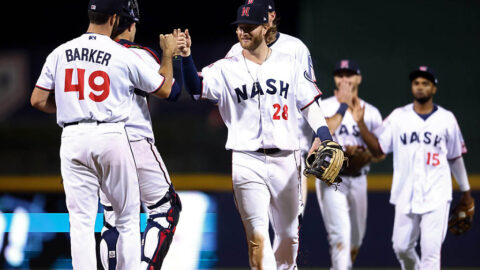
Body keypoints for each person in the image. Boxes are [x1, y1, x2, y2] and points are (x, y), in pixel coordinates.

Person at [178, 3, 338, 269]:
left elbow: (309, 104)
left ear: (266, 27)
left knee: (288, 238)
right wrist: (185, 57)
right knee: (257, 239)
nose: (243, 31)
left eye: (250, 26)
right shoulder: (226, 67)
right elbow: (196, 88)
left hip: (287, 159)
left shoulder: (289, 63)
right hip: (246, 160)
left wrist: (325, 136)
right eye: (240, 26)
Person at [29, 0, 177, 268]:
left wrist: (69, 107)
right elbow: (164, 89)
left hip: (72, 136)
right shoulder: (121, 53)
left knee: (81, 222)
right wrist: (168, 54)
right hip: (110, 133)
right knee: (127, 218)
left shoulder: (61, 52)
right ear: (112, 19)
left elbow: (38, 100)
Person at [356, 66, 474, 270]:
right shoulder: (398, 116)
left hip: (437, 195)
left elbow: (455, 158)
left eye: (425, 83)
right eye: (416, 83)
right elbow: (378, 149)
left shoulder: (447, 119)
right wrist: (361, 124)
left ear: (434, 89)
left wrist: (466, 193)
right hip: (405, 194)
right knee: (401, 248)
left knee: (431, 255)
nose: (420, 87)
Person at [97, 1, 183, 270]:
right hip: (134, 140)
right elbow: (172, 90)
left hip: (99, 143)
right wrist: (169, 55)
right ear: (131, 25)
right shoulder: (138, 54)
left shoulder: (89, 55)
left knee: (113, 217)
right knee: (165, 209)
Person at [226, 0, 318, 216]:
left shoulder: (295, 48)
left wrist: (318, 134)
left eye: (262, 14)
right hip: (250, 152)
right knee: (258, 224)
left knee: (291, 224)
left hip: (291, 147)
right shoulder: (235, 50)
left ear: (272, 17)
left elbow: (310, 94)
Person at [314, 60, 383, 269]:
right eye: (340, 75)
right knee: (340, 239)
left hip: (359, 180)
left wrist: (365, 155)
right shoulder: (323, 106)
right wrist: (343, 155)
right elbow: (317, 143)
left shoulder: (371, 112)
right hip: (332, 179)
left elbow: (380, 153)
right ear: (335, 79)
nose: (344, 79)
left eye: (349, 74)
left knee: (355, 241)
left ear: (358, 79)